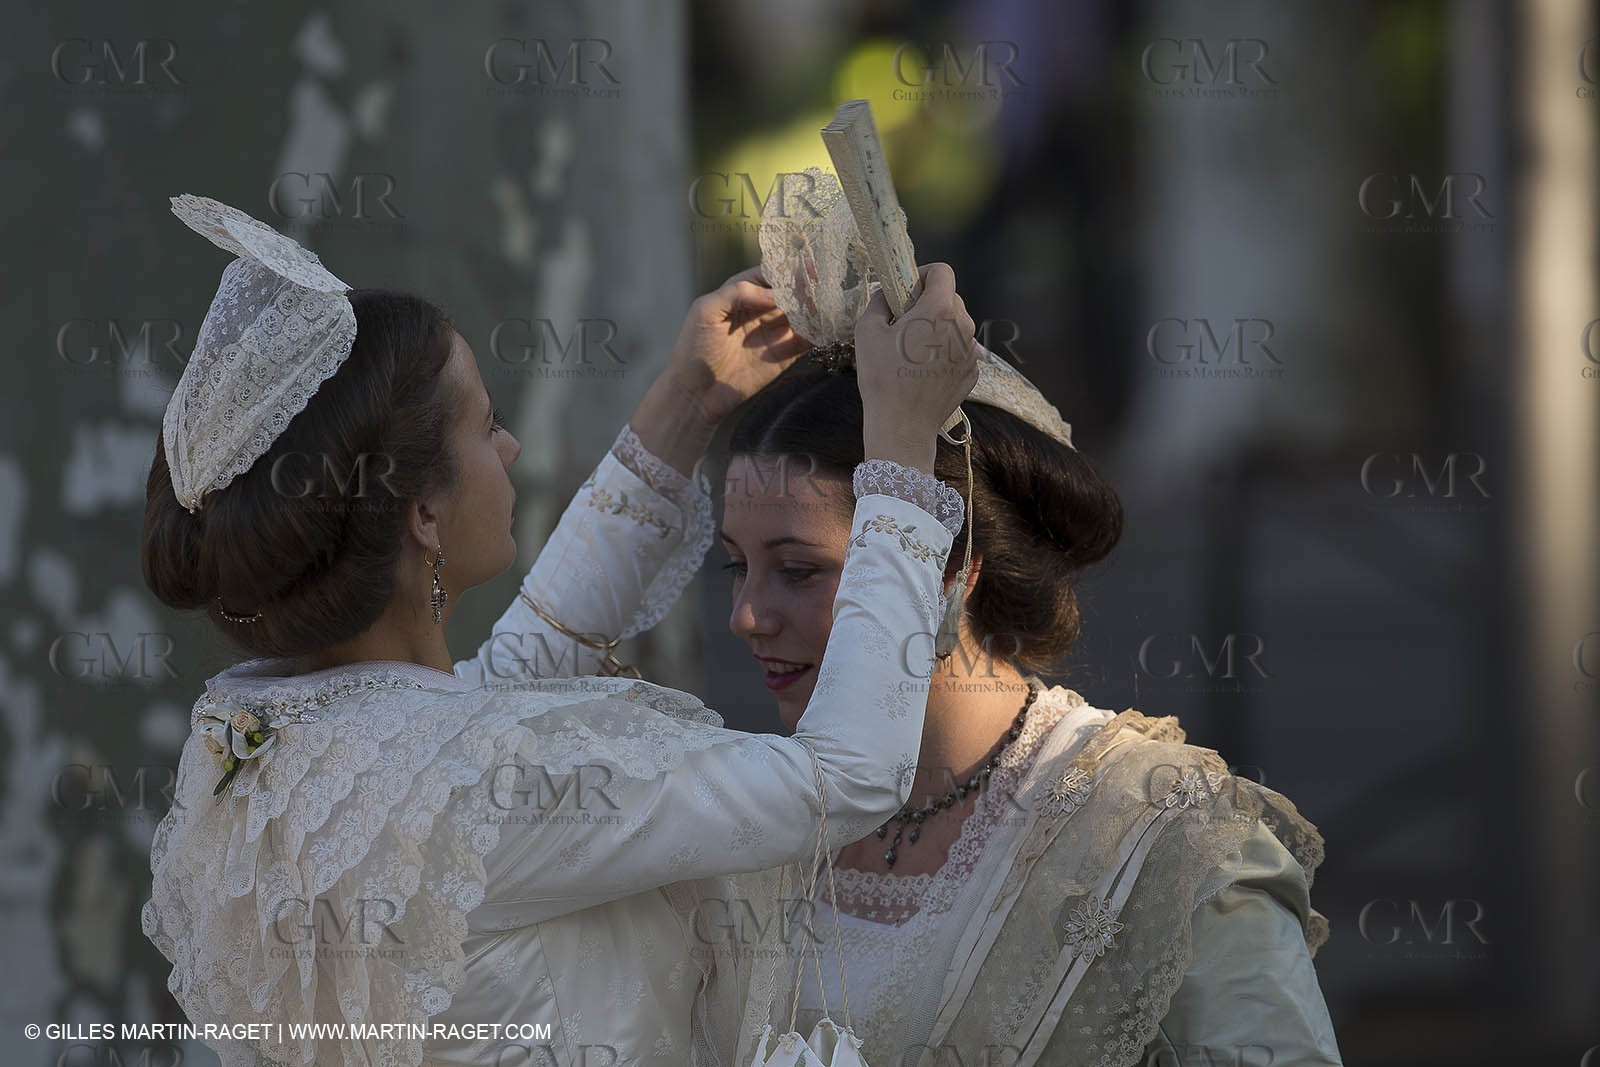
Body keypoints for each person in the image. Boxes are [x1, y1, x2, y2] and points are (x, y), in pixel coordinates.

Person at [137, 194, 978, 1067]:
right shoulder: (485, 774)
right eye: (487, 423)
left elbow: (495, 701)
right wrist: (900, 461)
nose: (509, 449)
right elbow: (843, 776)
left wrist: (686, 404)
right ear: (424, 512)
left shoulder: (250, 752)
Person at [708, 174, 1344, 1067]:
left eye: (800, 570)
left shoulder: (1158, 832)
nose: (745, 614)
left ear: (947, 567)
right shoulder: (752, 819)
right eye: (738, 566)